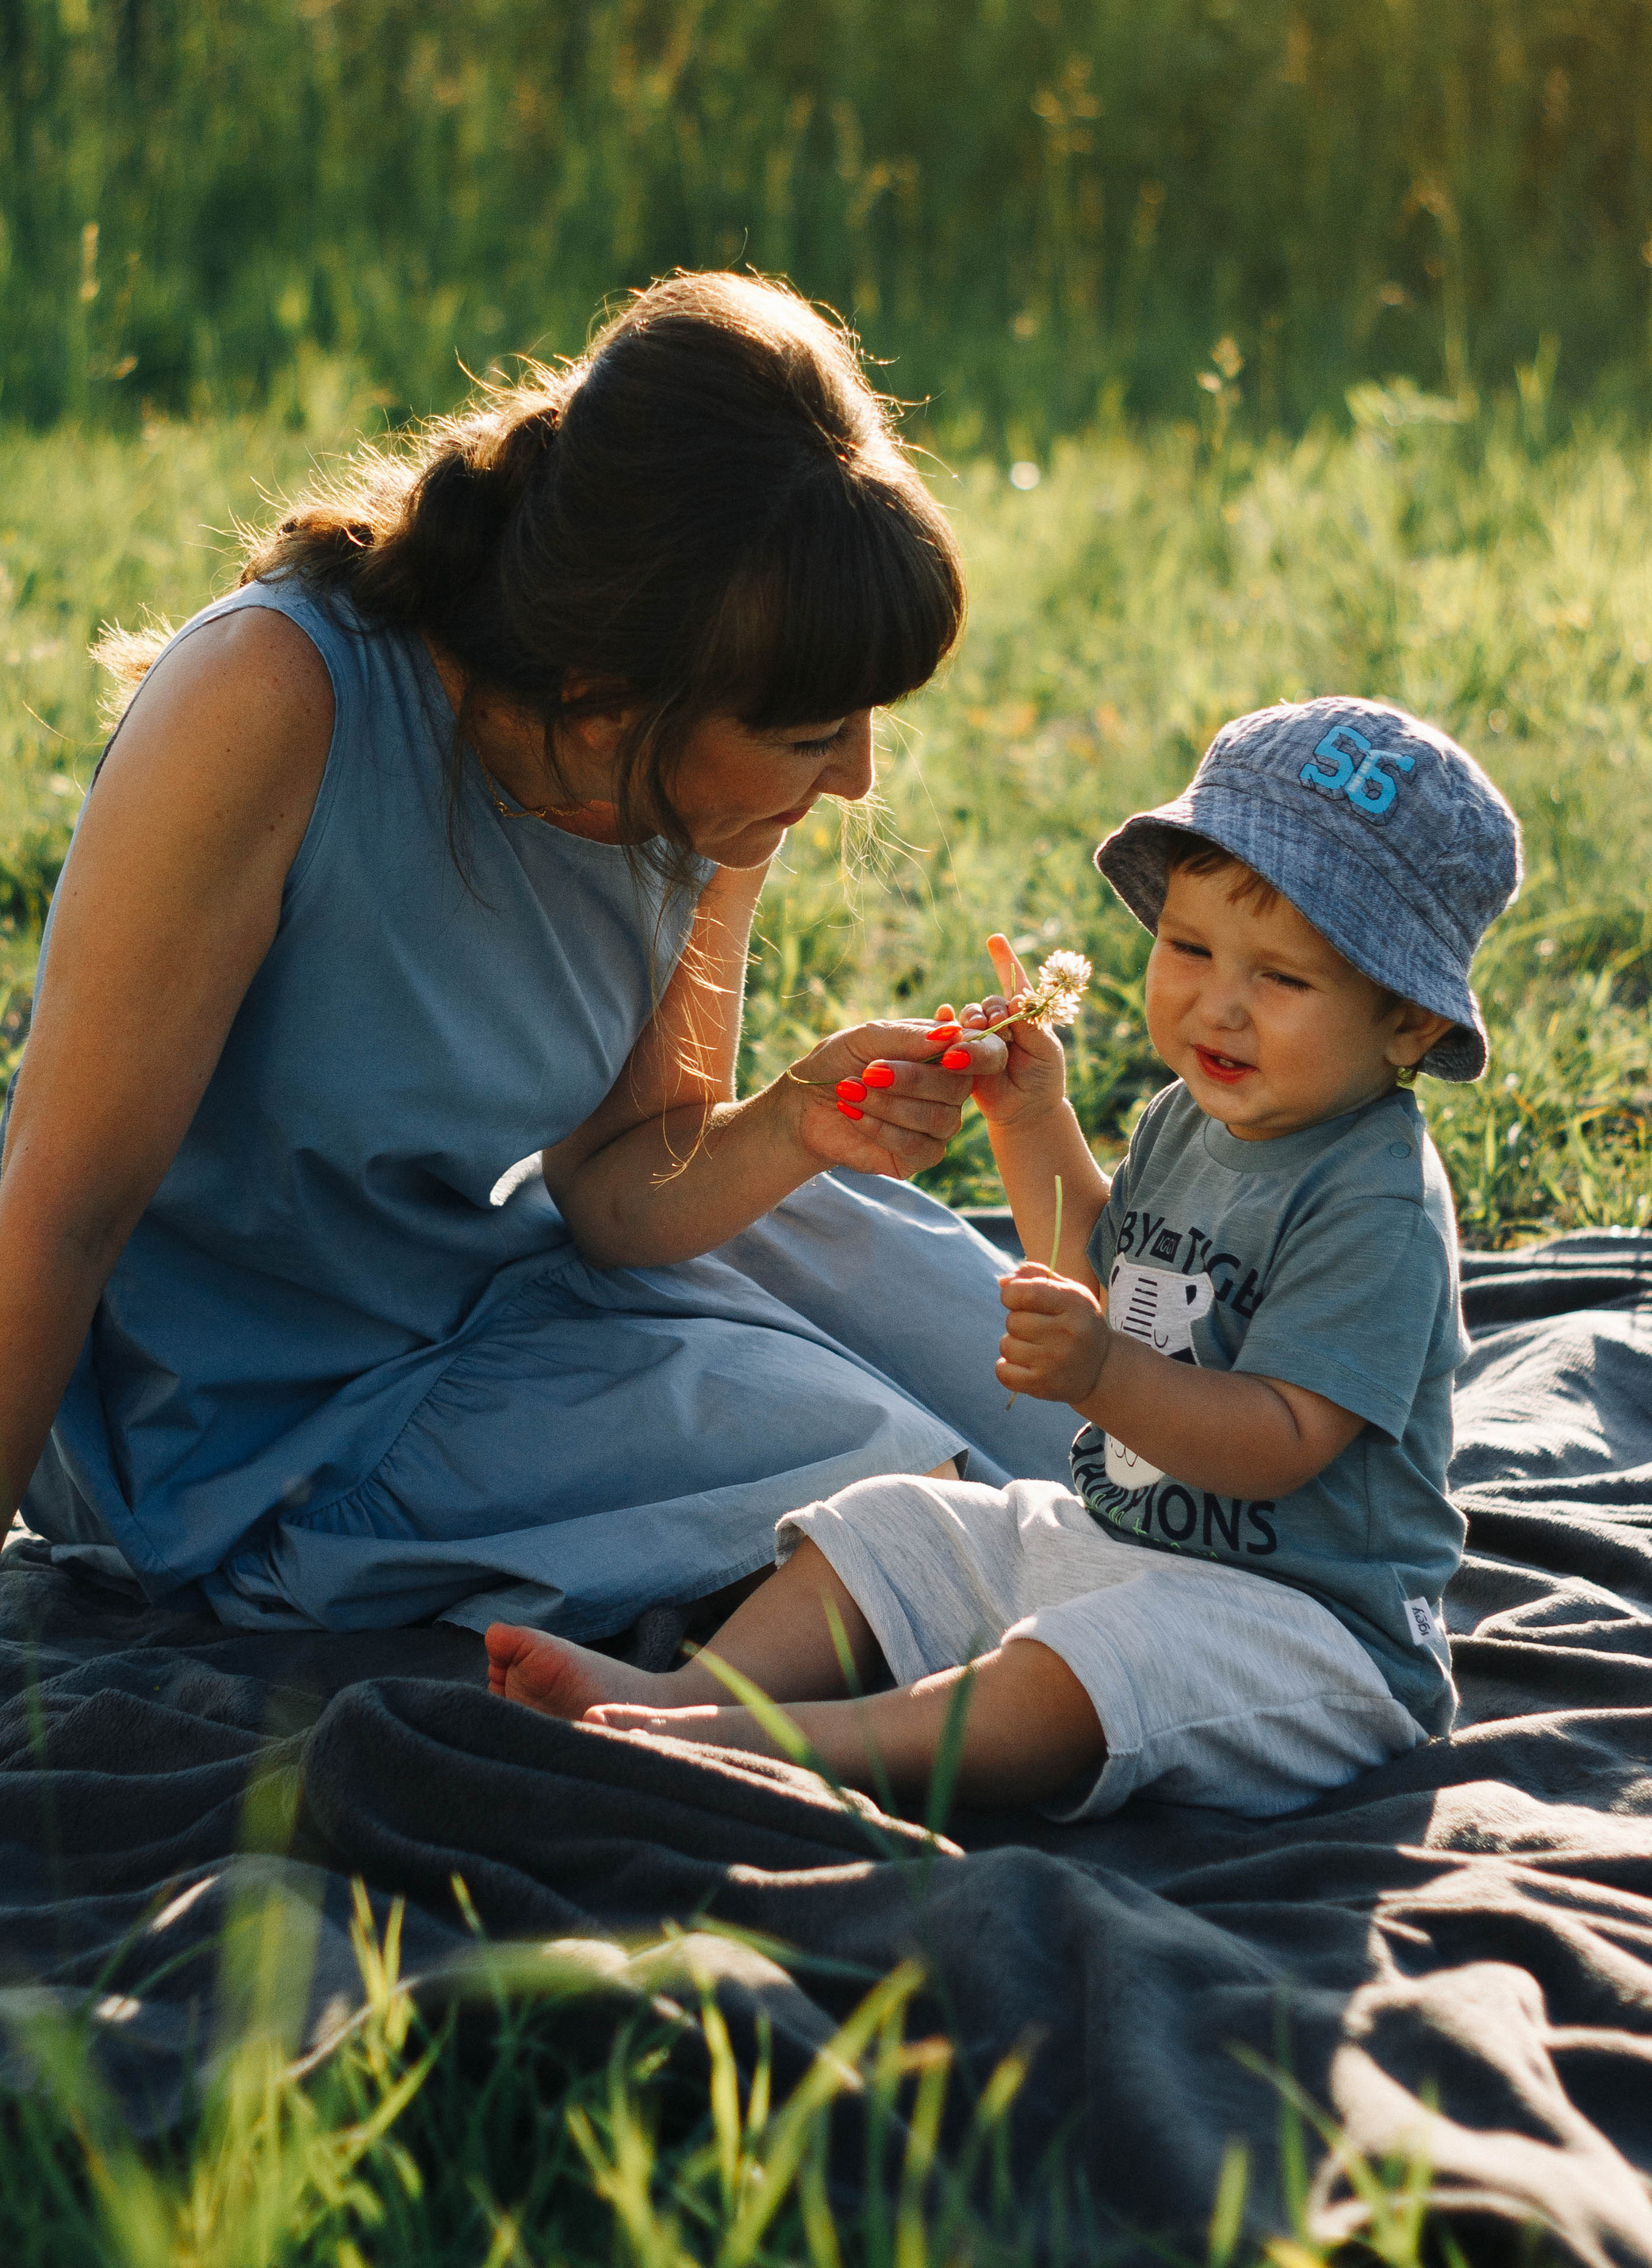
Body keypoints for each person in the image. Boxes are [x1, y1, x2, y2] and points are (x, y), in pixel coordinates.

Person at [0, 271, 1083, 1836]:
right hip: (268, 1419)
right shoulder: (272, 700)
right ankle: (760, 1720)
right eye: (814, 733)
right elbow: (55, 1218)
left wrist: (793, 1120)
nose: (856, 777)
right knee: (899, 1474)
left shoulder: (695, 764)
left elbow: (615, 1184)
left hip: (520, 1280)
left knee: (1077, 1415)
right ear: (605, 693)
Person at [489, 697, 1523, 1822]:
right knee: (901, 1521)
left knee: (1076, 1673)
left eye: (1283, 979)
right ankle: (685, 1694)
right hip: (1127, 1545)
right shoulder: (1197, 1117)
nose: (1218, 1005)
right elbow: (1100, 1269)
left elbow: (1284, 1439)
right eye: (1189, 948)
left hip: (1304, 1634)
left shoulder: (1372, 1195)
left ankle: (765, 1748)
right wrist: (1032, 1122)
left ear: (1410, 1024)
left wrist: (1103, 1379)